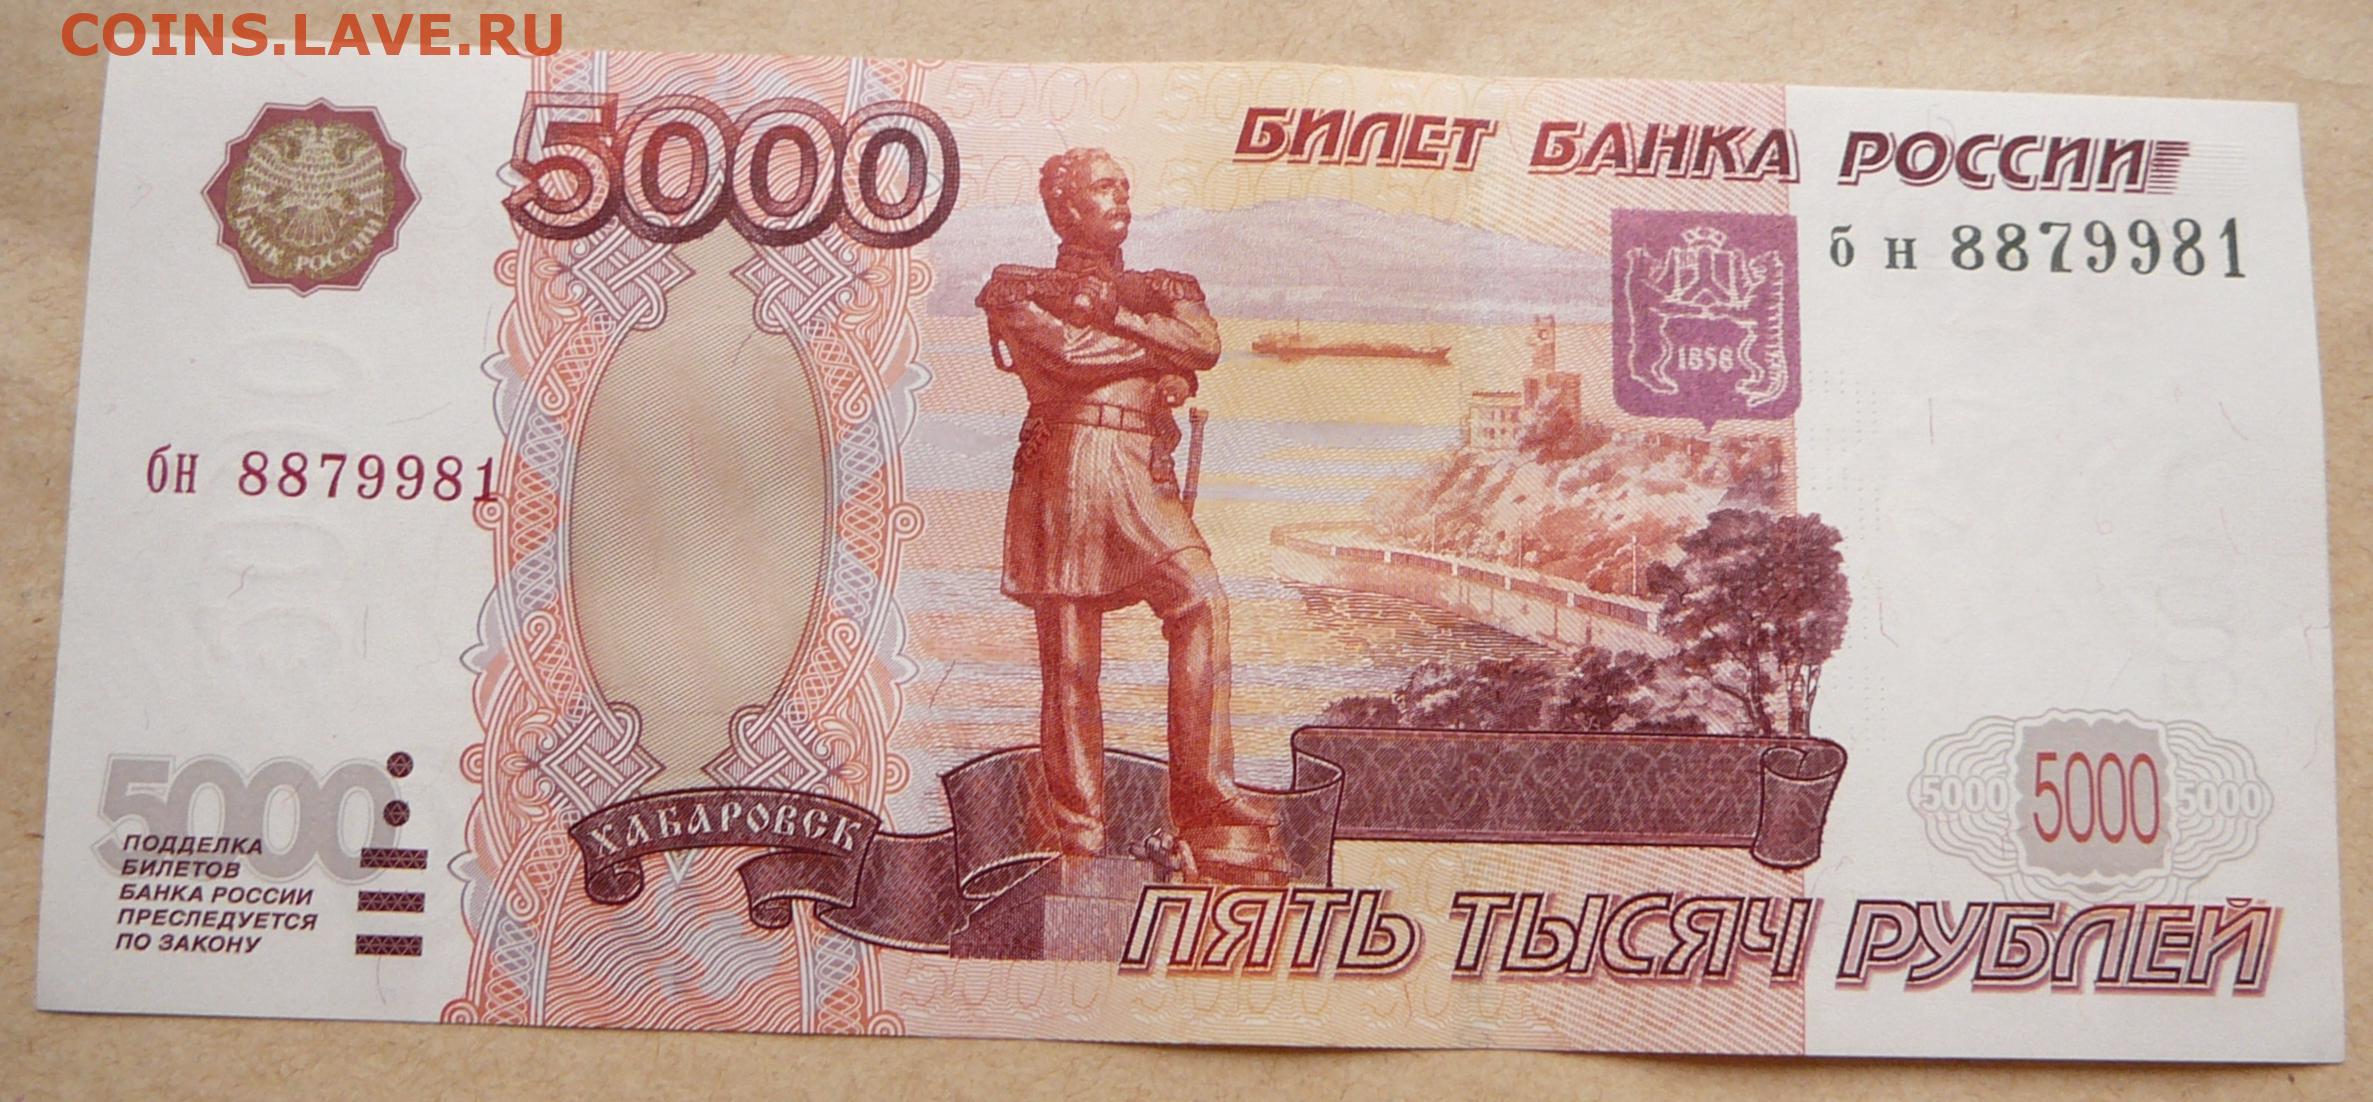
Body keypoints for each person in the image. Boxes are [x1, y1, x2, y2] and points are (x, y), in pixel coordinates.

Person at [976, 148, 1278, 880]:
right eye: (1104, 188)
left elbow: (1204, 344)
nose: (1121, 200)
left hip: (1145, 469)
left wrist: (1119, 312)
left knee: (1201, 600)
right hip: (1069, 466)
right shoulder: (1015, 289)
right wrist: (1157, 355)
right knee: (1071, 659)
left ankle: (1205, 801)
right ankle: (1077, 834)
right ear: (1065, 209)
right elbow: (1071, 354)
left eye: (1125, 186)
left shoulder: (1164, 286)